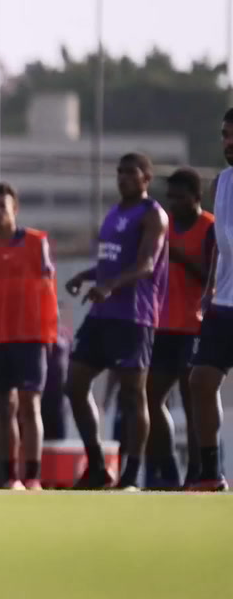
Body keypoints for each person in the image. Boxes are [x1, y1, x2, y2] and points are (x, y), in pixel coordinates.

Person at [65, 153, 168, 490]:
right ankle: (96, 465)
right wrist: (87, 275)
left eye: (130, 173)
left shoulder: (153, 214)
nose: (122, 178)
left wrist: (108, 286)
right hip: (101, 314)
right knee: (75, 384)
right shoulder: (113, 213)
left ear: (146, 178)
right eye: (119, 172)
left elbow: (146, 265)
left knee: (132, 395)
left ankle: (131, 474)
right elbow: (110, 264)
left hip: (133, 317)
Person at [0, 183, 59, 491]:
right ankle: (11, 477)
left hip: (31, 336)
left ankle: (32, 477)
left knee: (30, 405)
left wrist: (52, 333)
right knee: (4, 408)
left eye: (0, 205)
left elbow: (49, 290)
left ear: (14, 208)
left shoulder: (36, 242)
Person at [146, 168, 213, 489]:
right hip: (163, 326)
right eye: (169, 197)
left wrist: (181, 258)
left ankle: (199, 472)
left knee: (192, 401)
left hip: (195, 327)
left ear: (196, 197)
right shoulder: (164, 227)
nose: (173, 203)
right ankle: (169, 468)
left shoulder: (210, 228)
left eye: (180, 197)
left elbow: (213, 276)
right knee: (151, 397)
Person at [189, 109, 233, 491]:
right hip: (223, 307)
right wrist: (209, 290)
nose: (228, 143)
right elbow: (220, 243)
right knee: (201, 381)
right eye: (225, 135)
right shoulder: (221, 183)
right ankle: (211, 474)